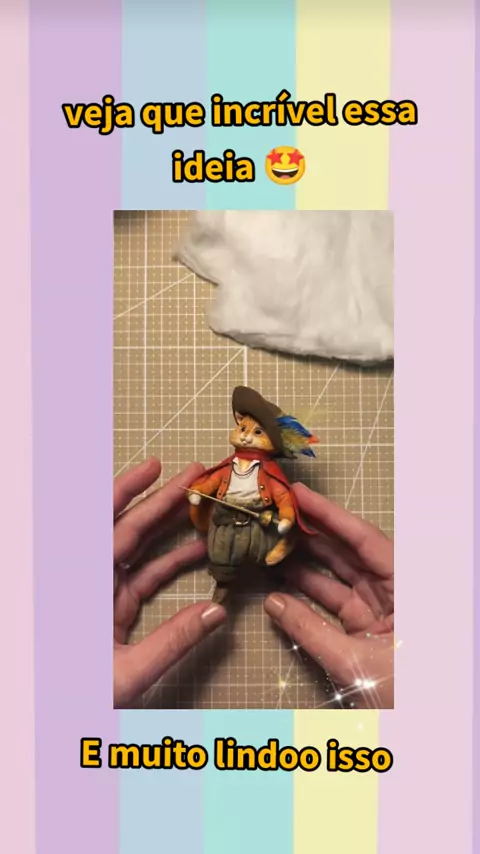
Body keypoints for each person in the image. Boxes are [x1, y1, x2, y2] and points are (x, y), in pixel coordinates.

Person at [114, 457, 394, 709]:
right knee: (224, 560)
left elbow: (282, 498)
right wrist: (200, 493)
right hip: (225, 531)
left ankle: (269, 568)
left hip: (259, 533)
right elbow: (211, 482)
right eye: (244, 429)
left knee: (268, 553)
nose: (247, 436)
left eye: (255, 432)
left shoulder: (269, 475)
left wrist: (284, 517)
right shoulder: (230, 470)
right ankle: (225, 584)